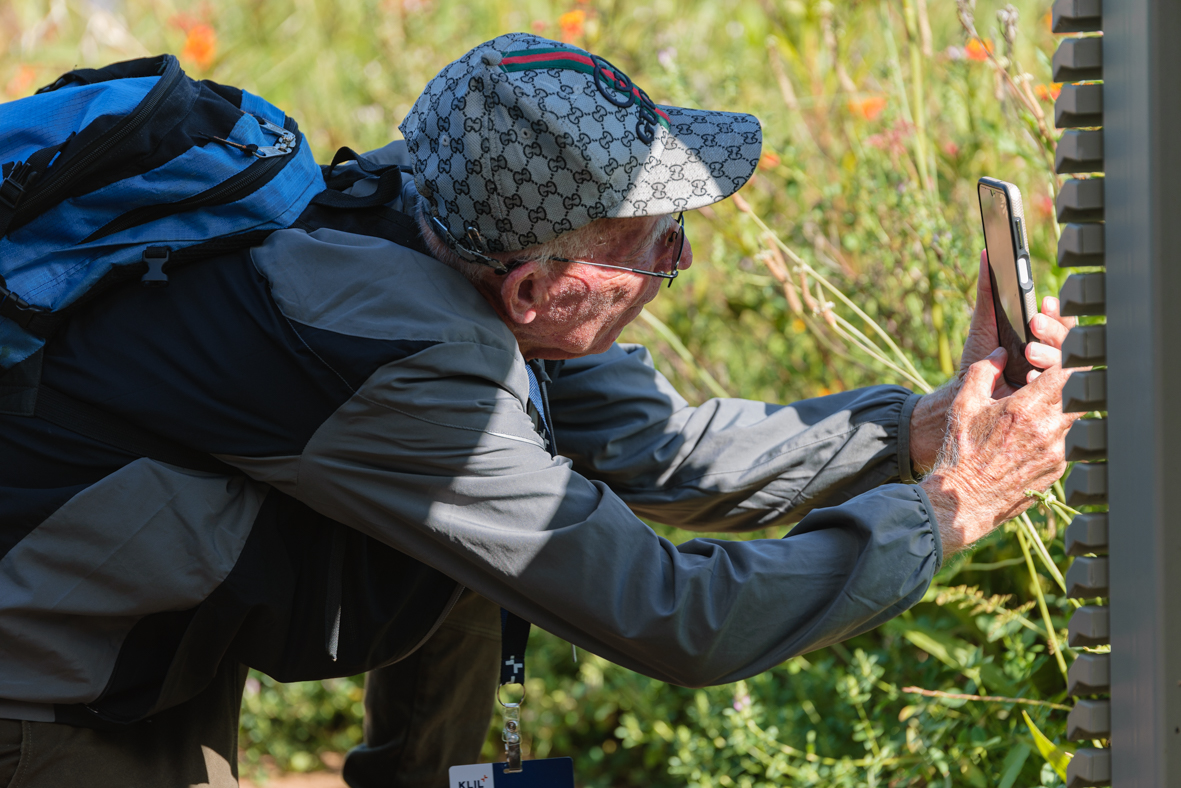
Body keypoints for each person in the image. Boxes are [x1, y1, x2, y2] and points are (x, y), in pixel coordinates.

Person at [0, 32, 1077, 788]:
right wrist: (951, 508)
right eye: (655, 240)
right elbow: (677, 615)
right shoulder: (402, 366)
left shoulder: (421, 214)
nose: (679, 259)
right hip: (41, 692)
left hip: (141, 648)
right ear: (533, 287)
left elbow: (660, 453)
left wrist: (921, 429)